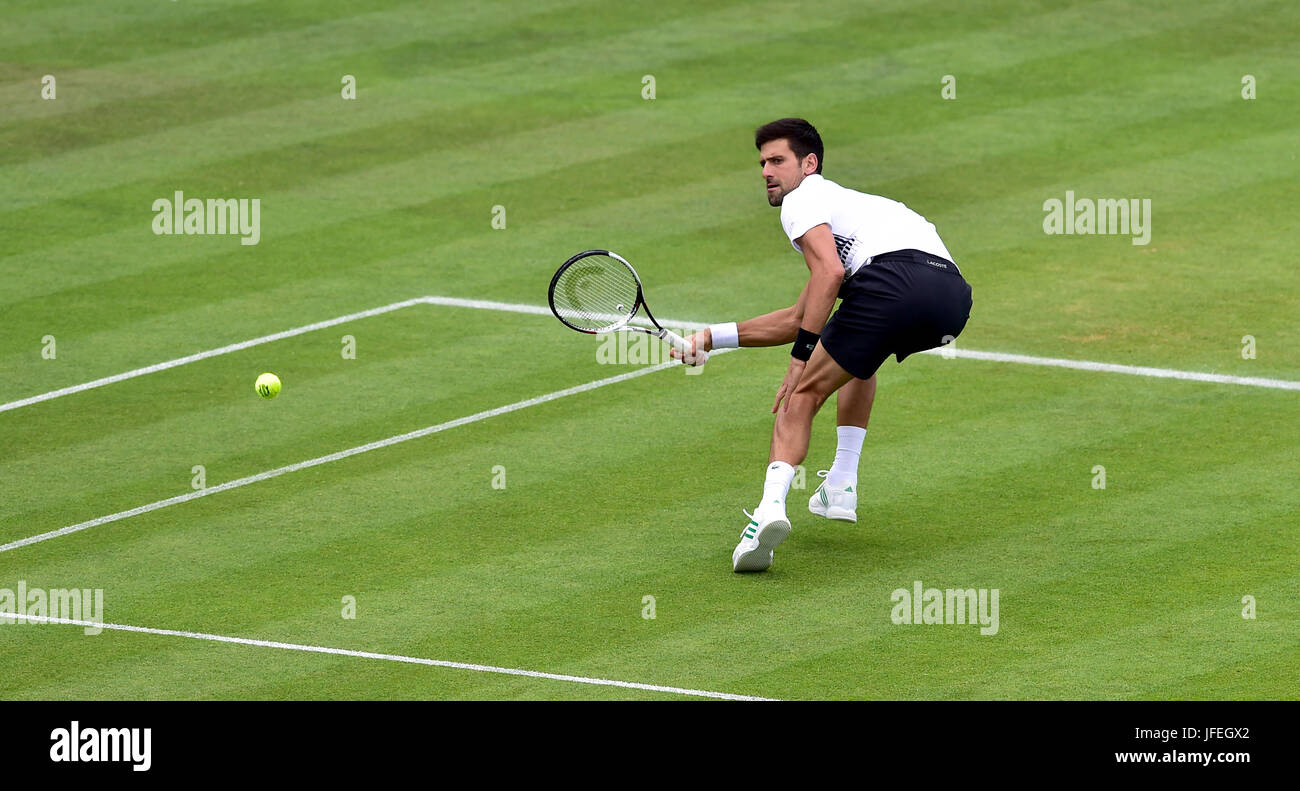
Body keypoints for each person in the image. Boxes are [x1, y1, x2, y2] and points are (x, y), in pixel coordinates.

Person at [674, 118, 973, 573]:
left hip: (891, 282)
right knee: (861, 358)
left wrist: (799, 362)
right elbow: (799, 316)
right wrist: (713, 337)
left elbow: (829, 275)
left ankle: (767, 513)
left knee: (801, 396)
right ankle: (842, 485)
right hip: (950, 299)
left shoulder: (802, 199)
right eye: (762, 163)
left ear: (808, 164)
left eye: (777, 160)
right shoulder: (858, 208)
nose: (766, 172)